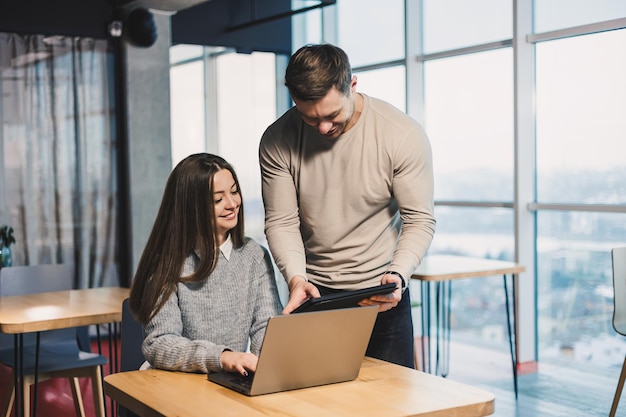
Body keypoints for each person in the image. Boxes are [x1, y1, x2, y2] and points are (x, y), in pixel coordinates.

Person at [259, 44, 436, 368]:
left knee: (391, 407)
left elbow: (419, 220)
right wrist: (296, 279)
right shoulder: (277, 139)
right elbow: (282, 222)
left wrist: (398, 274)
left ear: (351, 85)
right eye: (310, 119)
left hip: (383, 293)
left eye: (331, 115)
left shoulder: (401, 135)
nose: (324, 128)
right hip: (313, 293)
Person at [129, 153, 283, 376]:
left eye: (234, 191)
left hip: (225, 382)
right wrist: (221, 357)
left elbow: (266, 328)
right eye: (218, 199)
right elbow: (160, 343)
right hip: (173, 383)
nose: (232, 204)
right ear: (191, 208)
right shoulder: (169, 262)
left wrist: (265, 366)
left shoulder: (254, 256)